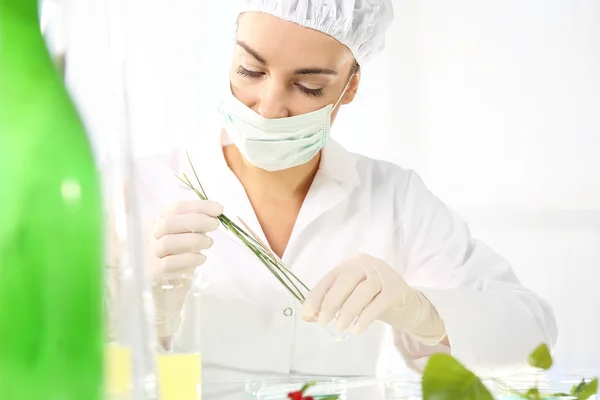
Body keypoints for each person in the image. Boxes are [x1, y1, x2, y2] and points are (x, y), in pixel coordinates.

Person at [136, 0, 558, 382]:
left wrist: (423, 312)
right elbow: (81, 357)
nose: (269, 108)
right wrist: (147, 313)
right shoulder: (139, 187)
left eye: (309, 87)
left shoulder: (394, 199)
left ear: (349, 87)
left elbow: (533, 333)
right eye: (250, 70)